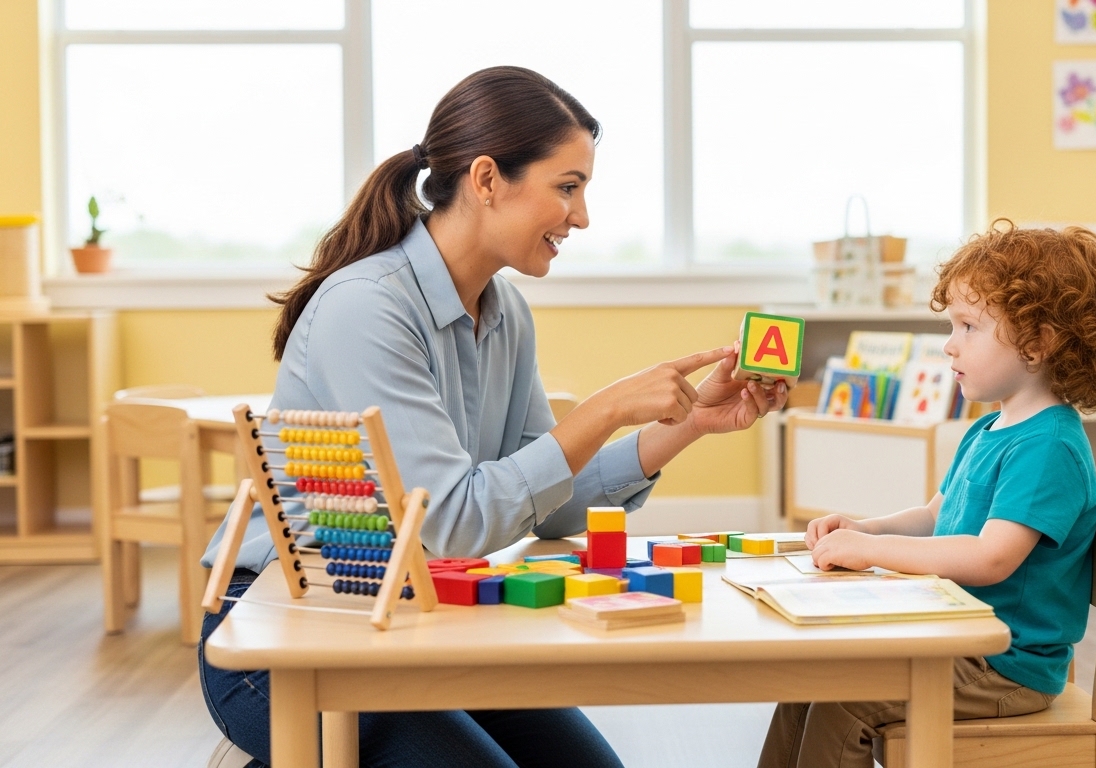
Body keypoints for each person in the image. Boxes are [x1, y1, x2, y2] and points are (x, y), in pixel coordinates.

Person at [198, 66, 787, 768]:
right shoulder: (366, 307)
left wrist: (687, 424)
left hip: (416, 617)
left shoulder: (505, 313)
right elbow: (452, 522)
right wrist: (604, 409)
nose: (581, 216)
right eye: (567, 187)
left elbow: (551, 505)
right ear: (486, 179)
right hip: (290, 635)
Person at [757, 222, 1096, 768]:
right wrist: (865, 529)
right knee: (812, 679)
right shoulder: (988, 429)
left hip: (1002, 667)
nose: (949, 343)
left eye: (969, 326)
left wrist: (872, 552)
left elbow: (990, 557)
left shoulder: (1049, 447)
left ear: (1038, 344)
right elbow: (934, 516)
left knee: (843, 698)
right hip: (958, 638)